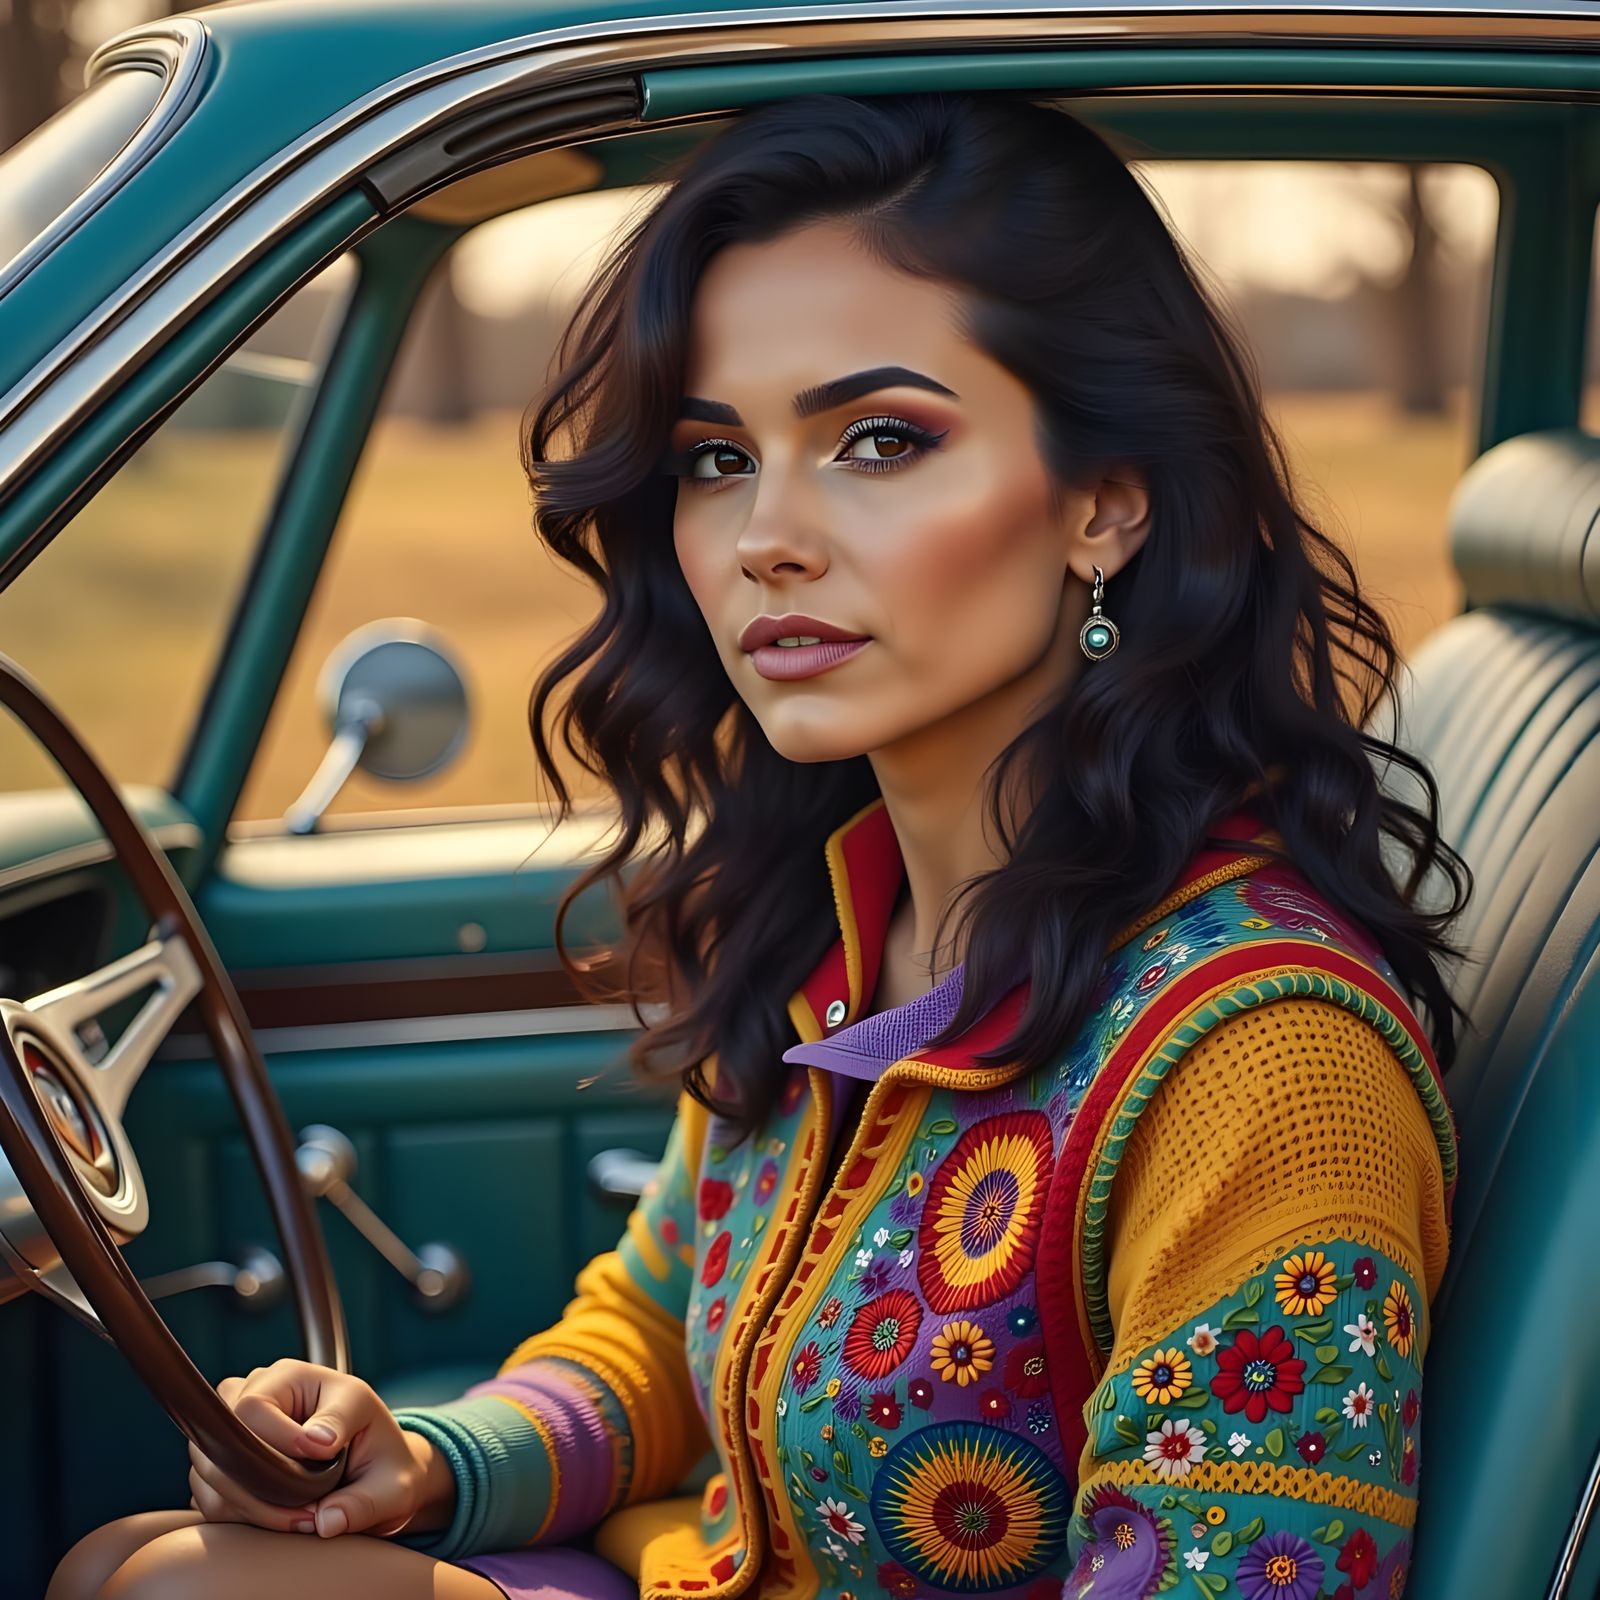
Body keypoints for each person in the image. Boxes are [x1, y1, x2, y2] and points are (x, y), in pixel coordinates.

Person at [50, 90, 1469, 1600]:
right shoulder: (826, 922)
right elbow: (660, 1331)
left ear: (1104, 502)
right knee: (140, 1560)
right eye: (717, 457)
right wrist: (429, 1463)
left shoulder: (1262, 1067)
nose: (762, 537)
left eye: (878, 438)